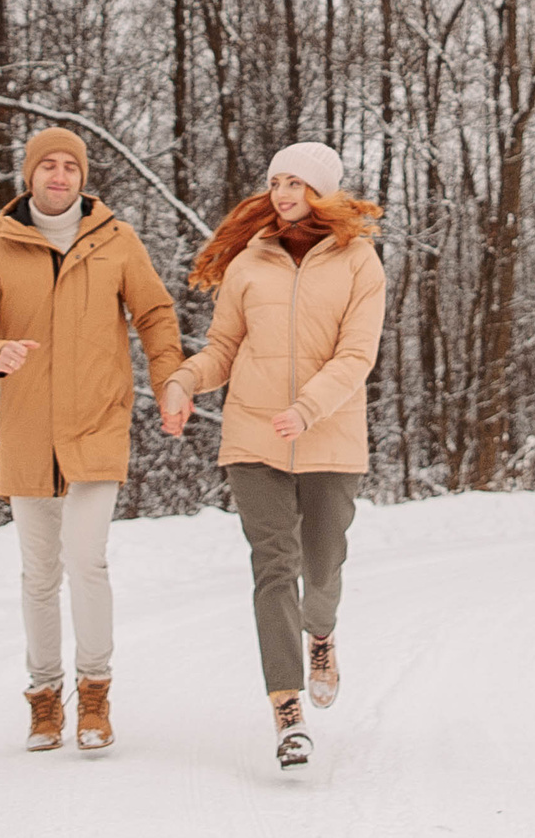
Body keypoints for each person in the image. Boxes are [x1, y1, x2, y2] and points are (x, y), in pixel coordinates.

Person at [0, 126, 183, 754]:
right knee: (38, 575)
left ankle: (95, 689)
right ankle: (44, 698)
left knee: (87, 559)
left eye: (69, 167)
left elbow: (155, 314)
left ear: (82, 177)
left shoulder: (116, 241)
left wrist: (169, 382)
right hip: (27, 432)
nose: (59, 176)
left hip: (97, 423)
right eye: (46, 166)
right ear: (29, 177)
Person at [158, 141, 385, 769]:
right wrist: (183, 380)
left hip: (329, 437)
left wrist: (309, 408)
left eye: (298, 183)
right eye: (278, 181)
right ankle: (286, 708)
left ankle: (321, 633)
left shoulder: (359, 261)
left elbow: (356, 355)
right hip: (254, 436)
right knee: (273, 564)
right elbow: (223, 347)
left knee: (323, 563)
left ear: (324, 192)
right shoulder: (249, 262)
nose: (284, 193)